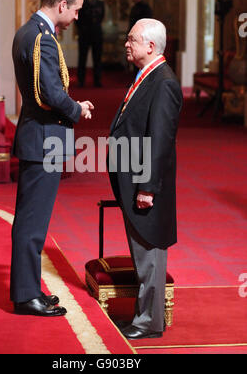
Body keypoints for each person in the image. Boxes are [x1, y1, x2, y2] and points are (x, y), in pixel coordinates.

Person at [11, 0, 94, 317]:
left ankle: (29, 290)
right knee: (32, 225)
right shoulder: (41, 39)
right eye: (75, 10)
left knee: (33, 223)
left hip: (38, 136)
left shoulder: (28, 31)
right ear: (61, 5)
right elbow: (49, 94)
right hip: (44, 139)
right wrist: (77, 109)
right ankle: (25, 295)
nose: (76, 17)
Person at [108, 19, 183, 339]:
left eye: (132, 39)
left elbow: (160, 140)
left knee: (150, 256)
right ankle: (145, 318)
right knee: (143, 255)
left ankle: (148, 323)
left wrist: (147, 188)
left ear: (150, 46)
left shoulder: (163, 81)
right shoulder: (148, 75)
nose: (127, 44)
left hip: (146, 186)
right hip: (135, 182)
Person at [76, 0, 105, 87]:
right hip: (84, 35)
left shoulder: (101, 3)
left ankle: (97, 81)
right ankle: (81, 81)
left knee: (97, 58)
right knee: (82, 58)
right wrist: (82, 29)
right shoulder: (83, 3)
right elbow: (78, 18)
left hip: (97, 35)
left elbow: (101, 17)